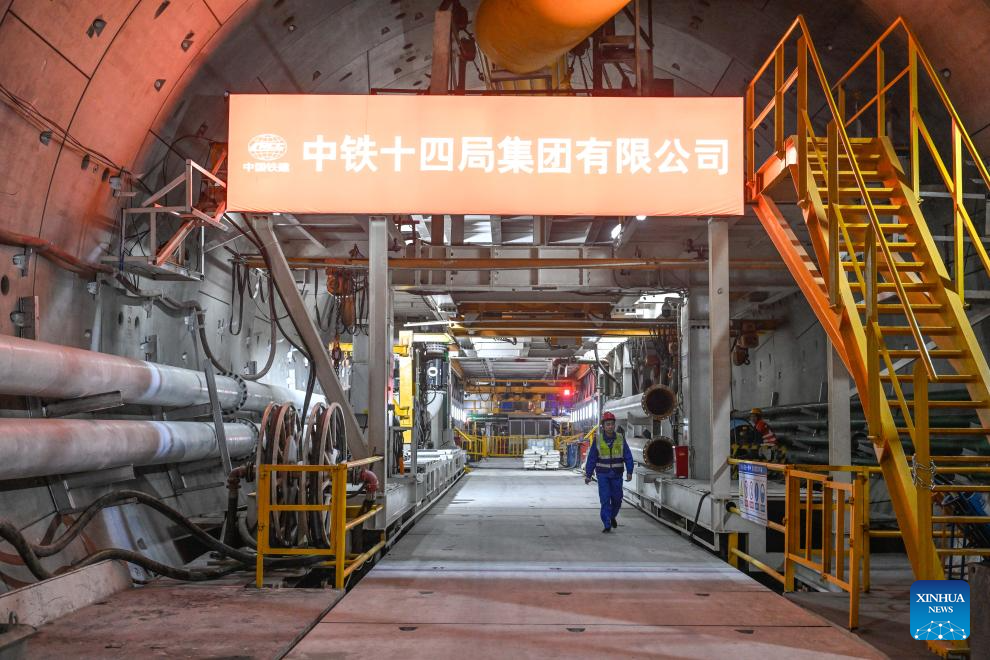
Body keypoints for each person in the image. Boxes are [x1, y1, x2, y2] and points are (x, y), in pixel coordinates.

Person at [584, 411, 634, 533]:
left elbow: (628, 455)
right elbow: (592, 458)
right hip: (603, 475)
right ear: (603, 426)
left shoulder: (620, 438)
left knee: (617, 499)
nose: (610, 426)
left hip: (617, 474)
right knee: (605, 499)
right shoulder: (598, 440)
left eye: (612, 424)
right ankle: (607, 524)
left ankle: (612, 517)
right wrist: (588, 474)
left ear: (614, 425)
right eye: (608, 424)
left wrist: (630, 471)